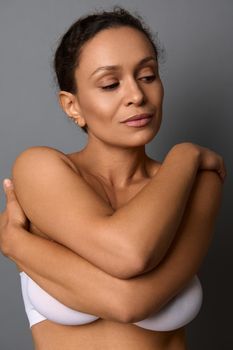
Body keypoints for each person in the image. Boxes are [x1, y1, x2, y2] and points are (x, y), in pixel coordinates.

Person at [0, 6, 226, 350]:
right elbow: (127, 262)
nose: (136, 95)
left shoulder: (197, 183)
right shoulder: (40, 169)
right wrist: (187, 155)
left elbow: (132, 301)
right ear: (72, 106)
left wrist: (18, 244)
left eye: (148, 76)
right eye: (110, 84)